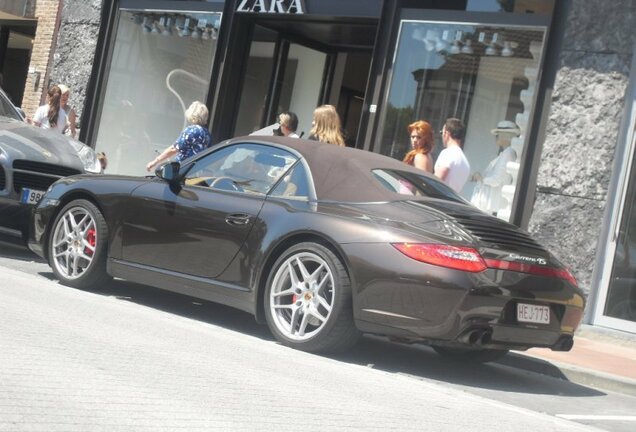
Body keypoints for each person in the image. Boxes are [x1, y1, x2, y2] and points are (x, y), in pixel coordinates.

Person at [470, 120, 520, 214]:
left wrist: (480, 178)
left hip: (492, 207)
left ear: (505, 136)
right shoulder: (506, 153)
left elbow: (497, 180)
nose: (496, 137)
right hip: (490, 205)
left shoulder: (508, 153)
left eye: (498, 134)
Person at [146, 101, 212, 171]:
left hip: (184, 170)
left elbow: (174, 149)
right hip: (197, 170)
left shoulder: (191, 130)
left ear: (192, 114)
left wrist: (155, 162)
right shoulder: (207, 133)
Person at [434, 118, 470, 193]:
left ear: (446, 133)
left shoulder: (447, 153)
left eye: (441, 132)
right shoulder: (465, 161)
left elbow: (436, 182)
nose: (442, 136)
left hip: (438, 200)